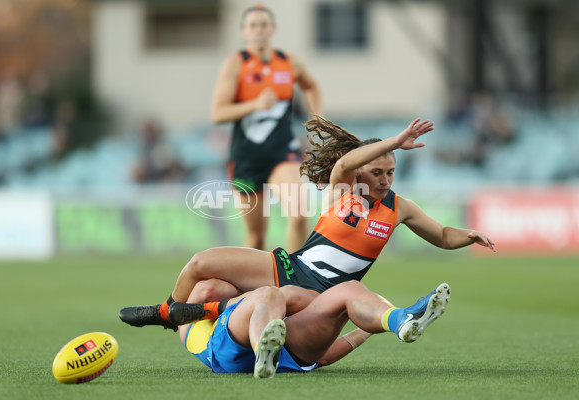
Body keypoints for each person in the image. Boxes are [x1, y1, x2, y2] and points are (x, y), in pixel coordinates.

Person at [119, 116, 495, 331]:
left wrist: (469, 236)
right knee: (201, 263)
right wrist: (395, 141)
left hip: (321, 294)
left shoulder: (401, 209)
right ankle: (168, 313)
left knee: (256, 302)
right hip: (290, 267)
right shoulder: (342, 188)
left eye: (391, 172)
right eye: (378, 171)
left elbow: (443, 236)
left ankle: (401, 322)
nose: (385, 179)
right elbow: (345, 164)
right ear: (363, 169)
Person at [211, 3, 322, 251]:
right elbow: (218, 113)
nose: (258, 29)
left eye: (263, 24)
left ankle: (297, 279)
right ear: (244, 31)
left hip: (282, 152)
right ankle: (256, 286)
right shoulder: (235, 64)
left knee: (299, 213)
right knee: (257, 236)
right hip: (246, 157)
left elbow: (311, 86)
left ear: (273, 29)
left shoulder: (289, 63)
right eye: (252, 25)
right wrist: (255, 104)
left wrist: (316, 120)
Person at [174, 281, 450, 378]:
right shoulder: (211, 297)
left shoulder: (279, 305)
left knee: (349, 291)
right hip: (221, 345)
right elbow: (206, 290)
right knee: (273, 295)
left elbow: (324, 357)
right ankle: (263, 351)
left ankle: (399, 320)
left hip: (284, 352)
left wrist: (367, 330)